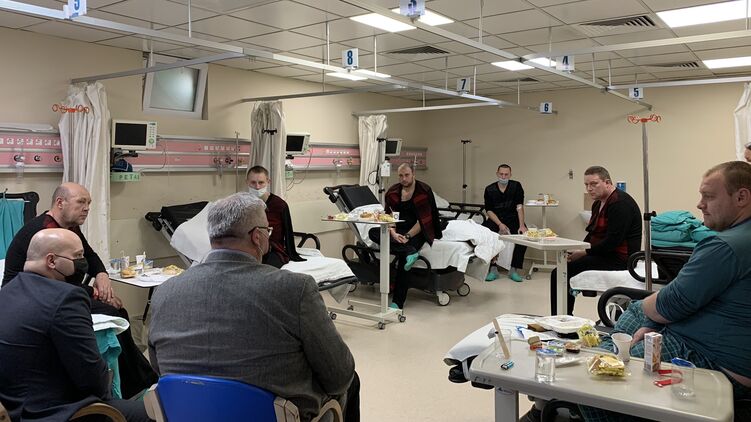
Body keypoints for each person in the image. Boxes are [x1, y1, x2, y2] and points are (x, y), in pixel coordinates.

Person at [148, 193, 358, 422]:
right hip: (274, 415)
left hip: (191, 414)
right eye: (268, 231)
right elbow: (339, 376)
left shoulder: (164, 292)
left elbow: (159, 370)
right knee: (350, 381)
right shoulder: (294, 289)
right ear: (258, 237)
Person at [579, 161, 751, 421]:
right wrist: (655, 320)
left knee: (594, 380)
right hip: (705, 338)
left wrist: (656, 316)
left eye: (709, 196)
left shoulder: (725, 247)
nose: (700, 204)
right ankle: (606, 351)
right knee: (635, 317)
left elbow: (669, 305)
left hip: (710, 359)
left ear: (741, 197)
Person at [2, 182, 158, 398]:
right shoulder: (46, 232)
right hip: (31, 294)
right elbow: (51, 281)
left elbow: (89, 256)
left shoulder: (68, 227)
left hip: (52, 289)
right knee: (113, 312)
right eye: (81, 202)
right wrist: (93, 292)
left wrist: (101, 275)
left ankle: (135, 379)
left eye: (89, 203)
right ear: (60, 202)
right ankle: (136, 383)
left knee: (117, 311)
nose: (87, 208)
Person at [0, 229, 152, 422]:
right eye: (78, 256)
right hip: (49, 412)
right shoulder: (66, 298)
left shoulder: (8, 291)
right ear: (51, 261)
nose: (83, 263)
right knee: (158, 412)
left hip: (13, 405)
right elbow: (94, 380)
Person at [550, 166, 641, 315]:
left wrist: (584, 253)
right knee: (561, 269)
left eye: (594, 184)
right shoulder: (598, 203)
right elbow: (592, 233)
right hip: (606, 254)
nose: (589, 189)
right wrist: (578, 249)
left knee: (559, 273)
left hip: (621, 259)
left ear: (607, 182)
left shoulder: (620, 204)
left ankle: (562, 317)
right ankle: (561, 316)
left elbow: (612, 242)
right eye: (586, 185)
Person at [368, 162, 443, 310]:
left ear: (413, 174)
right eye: (401, 176)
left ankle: (398, 302)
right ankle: (410, 251)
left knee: (404, 261)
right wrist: (393, 233)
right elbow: (390, 217)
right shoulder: (393, 192)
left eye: (407, 175)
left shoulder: (423, 191)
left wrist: (407, 236)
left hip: (418, 231)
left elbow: (422, 221)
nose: (404, 178)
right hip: (398, 230)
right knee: (373, 232)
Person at [245, 165, 304, 268]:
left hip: (273, 251)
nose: (257, 187)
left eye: (261, 182)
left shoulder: (279, 205)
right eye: (253, 182)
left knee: (264, 269)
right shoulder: (242, 204)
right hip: (247, 249)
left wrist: (291, 253)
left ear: (268, 182)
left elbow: (288, 232)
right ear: (247, 182)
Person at [483, 164, 528, 282]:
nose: (503, 177)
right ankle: (493, 268)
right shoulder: (489, 189)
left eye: (506, 174)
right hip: (495, 218)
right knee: (486, 235)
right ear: (497, 174)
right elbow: (489, 210)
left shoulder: (516, 186)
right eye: (501, 174)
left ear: (510, 175)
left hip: (512, 218)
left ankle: (513, 269)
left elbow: (519, 206)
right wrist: (499, 224)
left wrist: (521, 225)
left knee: (524, 236)